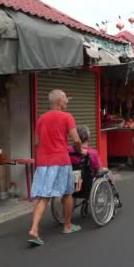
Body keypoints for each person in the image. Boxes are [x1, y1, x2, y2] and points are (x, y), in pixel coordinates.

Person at [28, 89, 85, 247]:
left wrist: (40, 159)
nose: (67, 101)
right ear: (59, 101)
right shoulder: (67, 117)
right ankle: (67, 225)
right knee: (67, 194)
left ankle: (34, 229)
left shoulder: (41, 119)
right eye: (66, 98)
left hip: (43, 163)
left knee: (43, 197)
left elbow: (36, 143)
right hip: (60, 160)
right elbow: (76, 139)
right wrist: (80, 151)